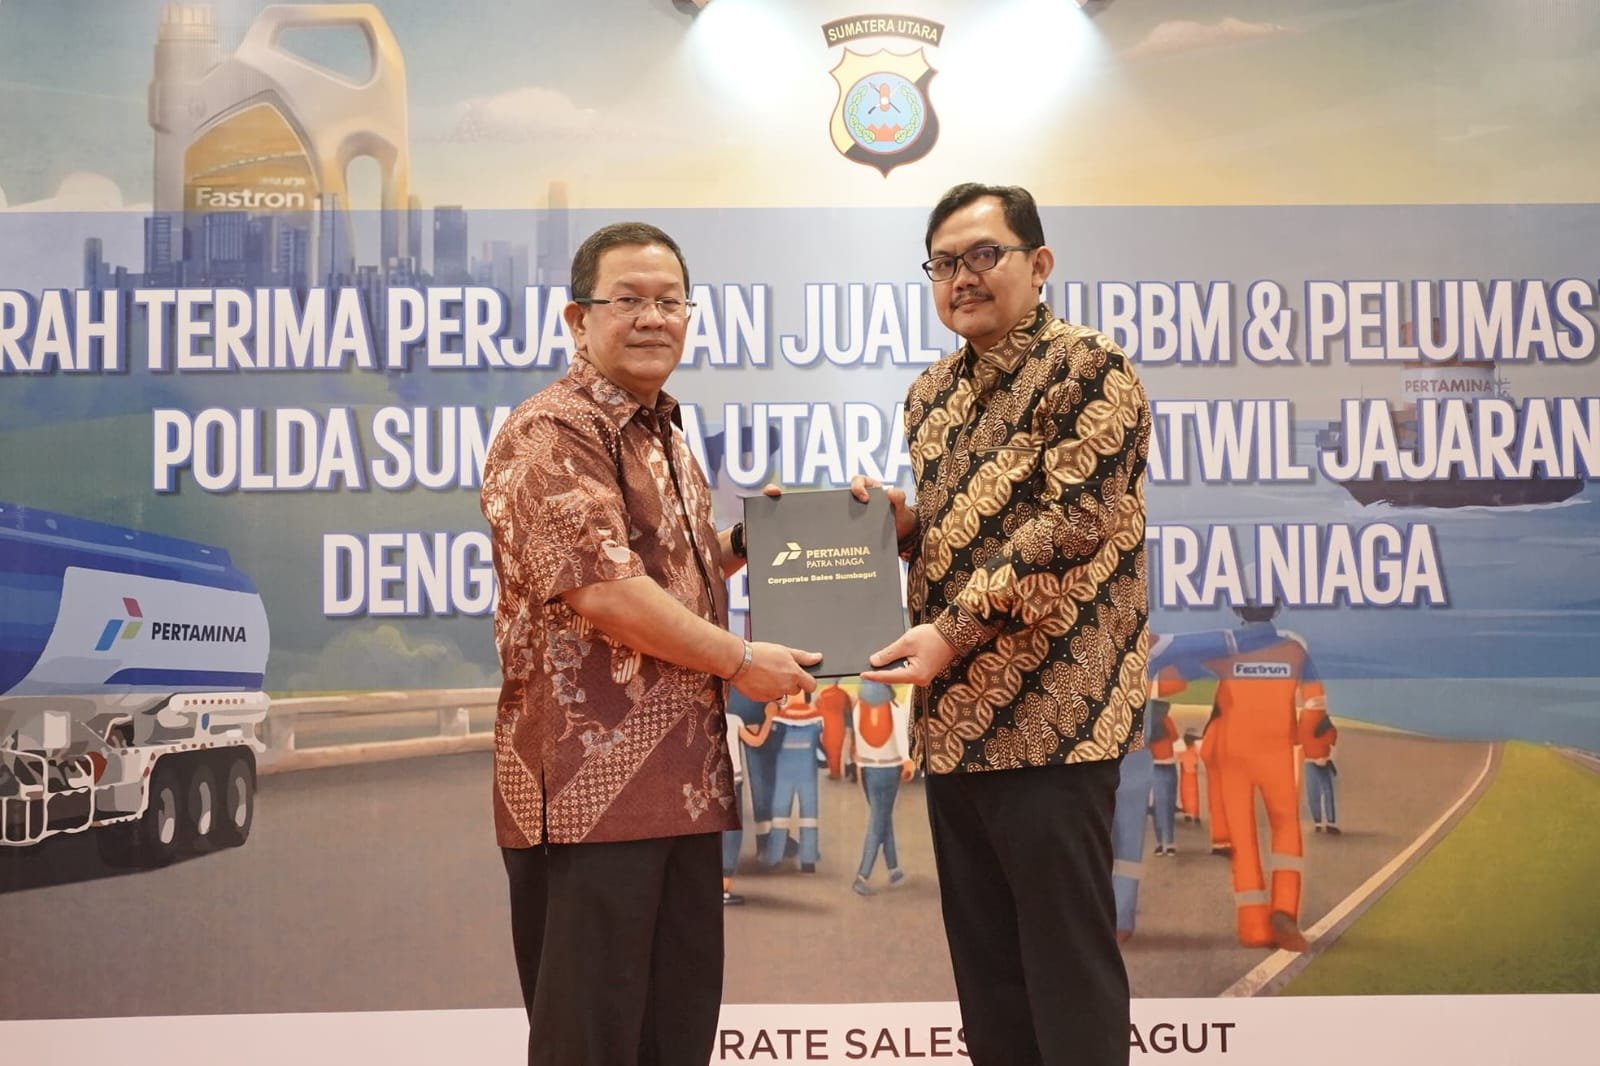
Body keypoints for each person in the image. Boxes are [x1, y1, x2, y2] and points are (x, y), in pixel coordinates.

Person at [480, 221, 820, 1066]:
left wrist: (759, 540)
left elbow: (673, 570)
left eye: (670, 302)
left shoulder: (663, 432)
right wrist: (743, 662)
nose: (652, 318)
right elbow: (605, 590)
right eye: (628, 299)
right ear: (577, 318)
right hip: (589, 799)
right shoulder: (551, 431)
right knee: (591, 1044)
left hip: (684, 788)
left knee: (675, 1039)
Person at [857, 183, 1152, 1066]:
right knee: (988, 981)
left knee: (1067, 973)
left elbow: (1073, 525)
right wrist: (904, 530)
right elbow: (967, 535)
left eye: (984, 254)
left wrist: (949, 634)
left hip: (1056, 720)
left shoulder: (1088, 368)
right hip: (957, 726)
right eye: (944, 263)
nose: (963, 277)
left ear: (1039, 263)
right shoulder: (930, 394)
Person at [849, 678, 914, 896]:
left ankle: (894, 869)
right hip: (889, 768)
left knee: (882, 816)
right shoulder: (894, 708)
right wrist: (907, 760)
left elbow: (858, 740)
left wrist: (860, 767)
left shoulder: (859, 707)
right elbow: (901, 738)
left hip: (868, 769)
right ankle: (862, 876)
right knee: (878, 821)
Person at [1299, 700, 1340, 834]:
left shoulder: (1304, 719)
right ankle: (1330, 822)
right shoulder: (1325, 720)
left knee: (1313, 791)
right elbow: (1332, 736)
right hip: (1323, 758)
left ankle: (1318, 822)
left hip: (1309, 759)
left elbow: (1299, 737)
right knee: (1327, 790)